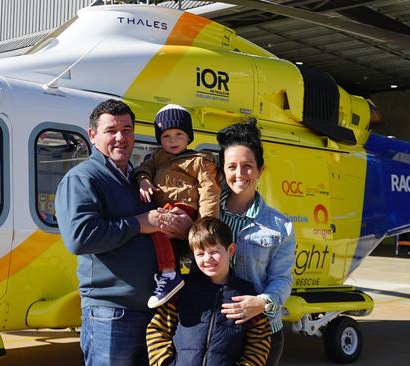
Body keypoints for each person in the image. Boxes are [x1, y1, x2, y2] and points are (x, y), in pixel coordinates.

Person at [55, 99, 193, 365]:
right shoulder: (83, 178)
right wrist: (139, 223)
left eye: (127, 130)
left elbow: (158, 231)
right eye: (111, 131)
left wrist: (183, 229)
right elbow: (79, 237)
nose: (121, 138)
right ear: (92, 135)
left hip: (156, 314)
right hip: (112, 314)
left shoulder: (140, 179)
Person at [216, 121, 296, 366]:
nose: (239, 174)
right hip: (213, 328)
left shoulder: (281, 226)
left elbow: (282, 278)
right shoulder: (208, 216)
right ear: (222, 169)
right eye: (232, 166)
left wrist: (262, 303)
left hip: (261, 332)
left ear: (260, 170)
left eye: (248, 166)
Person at [146, 216, 271, 366]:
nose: (207, 259)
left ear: (230, 250)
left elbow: (259, 340)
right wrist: (164, 363)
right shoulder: (182, 289)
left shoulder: (246, 295)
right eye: (200, 254)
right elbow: (158, 328)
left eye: (213, 251)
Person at [133, 104, 220, 308]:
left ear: (189, 136)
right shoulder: (156, 157)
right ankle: (171, 276)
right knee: (157, 237)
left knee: (159, 228)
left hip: (184, 208)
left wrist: (205, 227)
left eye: (178, 134)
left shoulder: (199, 161)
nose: (172, 140)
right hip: (165, 207)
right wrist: (143, 180)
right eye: (166, 136)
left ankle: (169, 274)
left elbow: (209, 193)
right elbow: (142, 168)